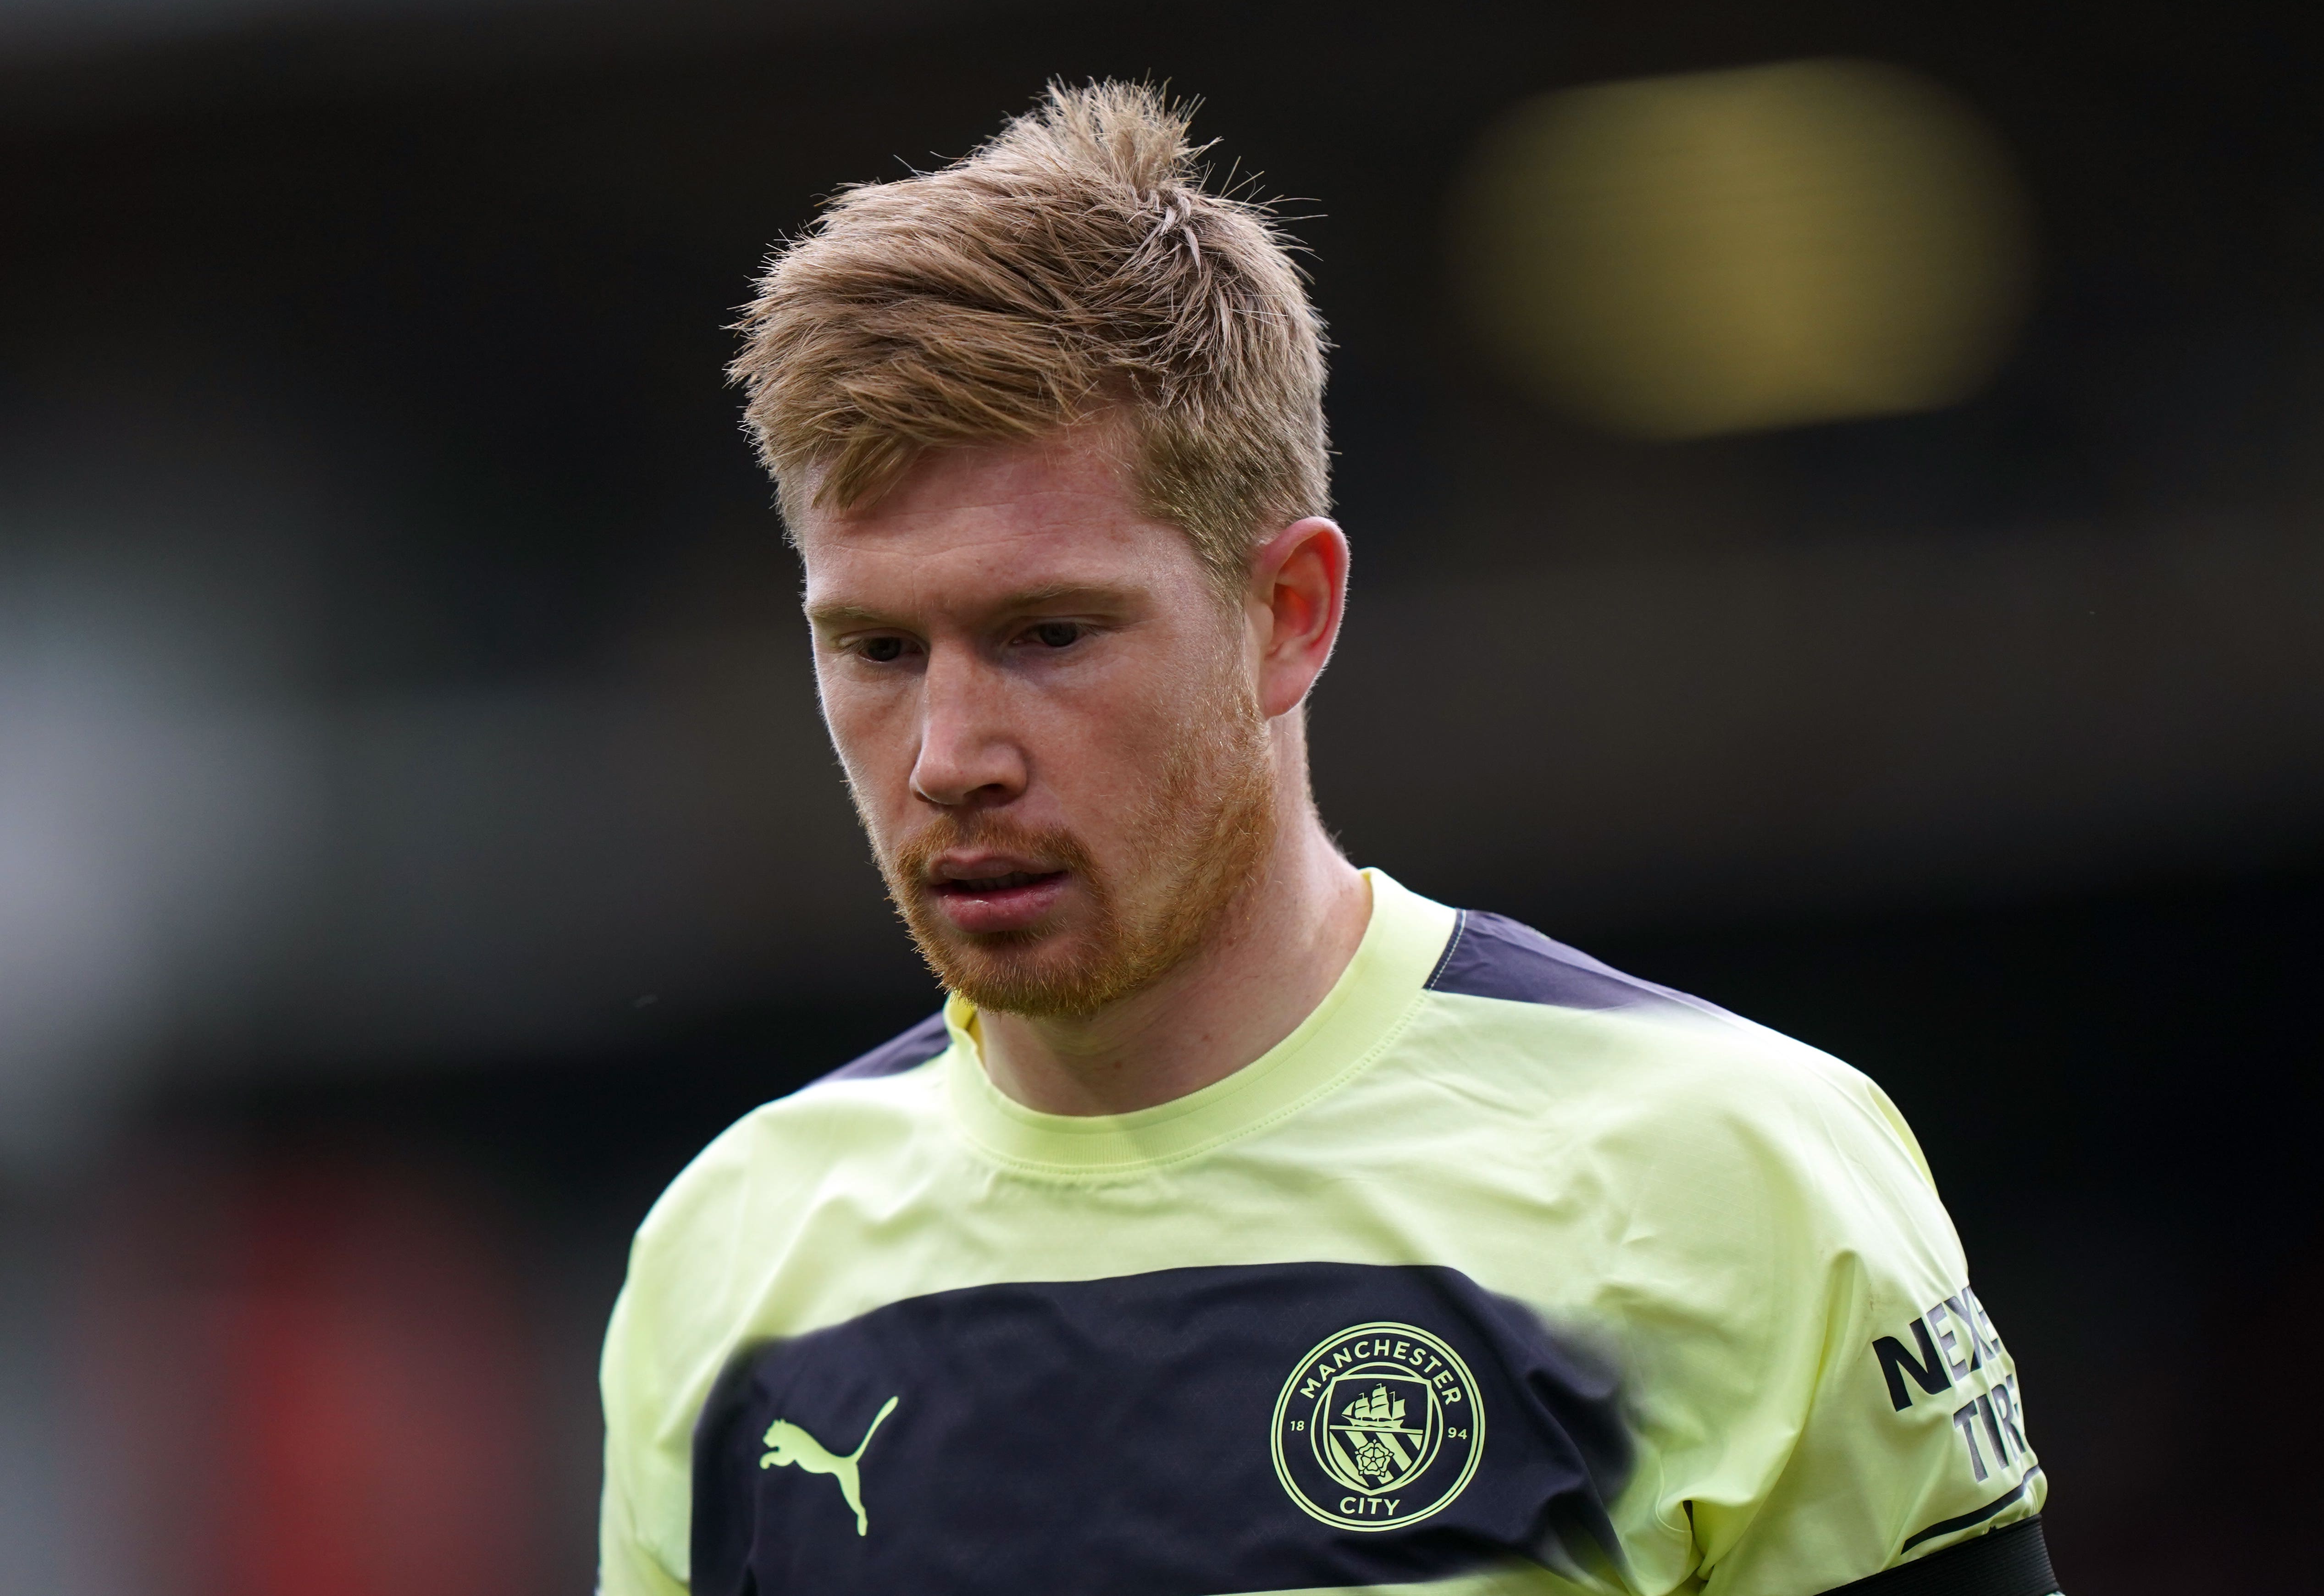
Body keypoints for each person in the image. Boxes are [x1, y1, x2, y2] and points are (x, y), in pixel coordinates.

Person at [598, 81, 2058, 1596]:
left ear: (1289, 613)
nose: (952, 757)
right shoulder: (729, 1261)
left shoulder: (1730, 1174)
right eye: (880, 650)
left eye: (1048, 632)